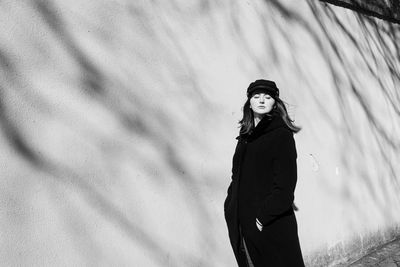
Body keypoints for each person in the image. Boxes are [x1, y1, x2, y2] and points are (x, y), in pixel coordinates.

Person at [224, 79, 305, 266]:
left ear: (274, 103)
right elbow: (236, 176)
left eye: (267, 97)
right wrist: (230, 204)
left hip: (270, 226)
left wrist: (262, 218)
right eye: (256, 96)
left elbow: (285, 188)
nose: (261, 100)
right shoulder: (245, 136)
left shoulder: (281, 135)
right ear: (249, 102)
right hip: (242, 224)